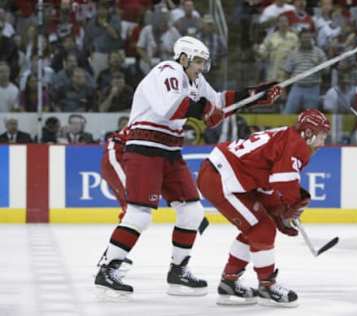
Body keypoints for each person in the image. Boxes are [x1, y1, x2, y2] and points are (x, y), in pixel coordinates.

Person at [94, 36, 282, 296]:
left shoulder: (195, 80)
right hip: (144, 148)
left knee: (192, 213)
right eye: (198, 62)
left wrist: (255, 95)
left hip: (170, 150)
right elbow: (170, 108)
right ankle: (107, 269)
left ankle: (178, 270)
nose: (202, 68)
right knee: (139, 214)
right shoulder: (166, 71)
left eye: (204, 63)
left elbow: (217, 101)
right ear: (182, 57)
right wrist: (205, 109)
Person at [197, 109, 330, 307]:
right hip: (221, 178)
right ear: (308, 134)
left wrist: (278, 212)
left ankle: (229, 283)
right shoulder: (297, 145)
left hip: (225, 174)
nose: (322, 143)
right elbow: (283, 180)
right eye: (321, 136)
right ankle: (266, 286)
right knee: (262, 229)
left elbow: (268, 183)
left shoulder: (288, 137)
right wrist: (293, 204)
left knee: (257, 229)